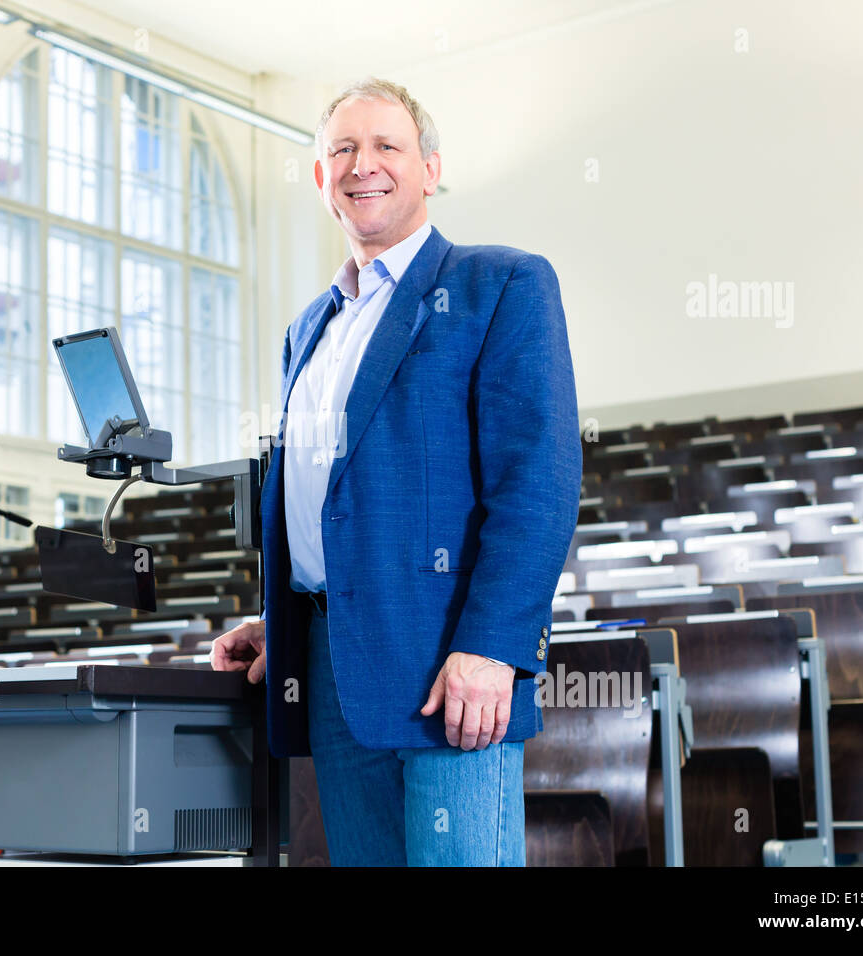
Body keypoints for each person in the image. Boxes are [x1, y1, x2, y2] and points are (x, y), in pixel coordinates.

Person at [211, 77, 581, 866]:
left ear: (430, 168)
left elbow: (538, 489)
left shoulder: (501, 285)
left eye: (387, 146)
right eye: (341, 149)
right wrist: (285, 616)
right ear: (320, 178)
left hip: (451, 671)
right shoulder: (308, 329)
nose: (361, 165)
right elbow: (326, 498)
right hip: (334, 670)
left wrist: (493, 648)